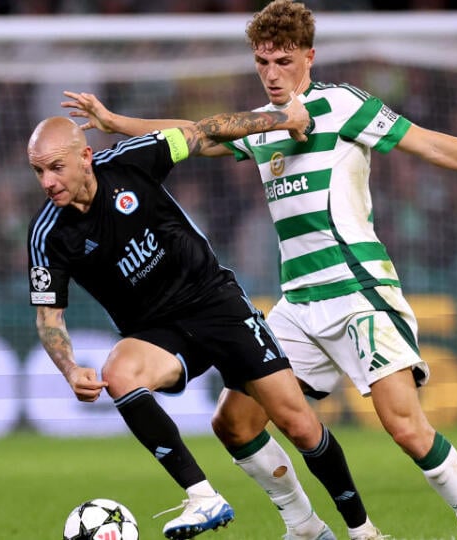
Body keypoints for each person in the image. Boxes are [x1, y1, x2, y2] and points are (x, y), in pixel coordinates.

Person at [60, 2, 457, 539]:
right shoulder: (262, 127)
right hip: (300, 303)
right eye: (262, 62)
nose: (271, 73)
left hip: (359, 291)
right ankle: (304, 527)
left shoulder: (341, 104)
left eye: (283, 61)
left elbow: (428, 143)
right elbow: (192, 133)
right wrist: (114, 123)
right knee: (233, 424)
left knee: (404, 428)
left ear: (309, 57)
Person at [26, 100, 375, 540]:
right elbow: (49, 317)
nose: (47, 181)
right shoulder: (48, 234)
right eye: (38, 172)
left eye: (55, 167)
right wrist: (70, 367)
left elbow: (204, 131)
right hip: (157, 331)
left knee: (297, 424)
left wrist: (282, 118)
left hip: (215, 302)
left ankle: (363, 532)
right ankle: (205, 497)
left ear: (85, 156)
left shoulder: (132, 160)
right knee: (119, 373)